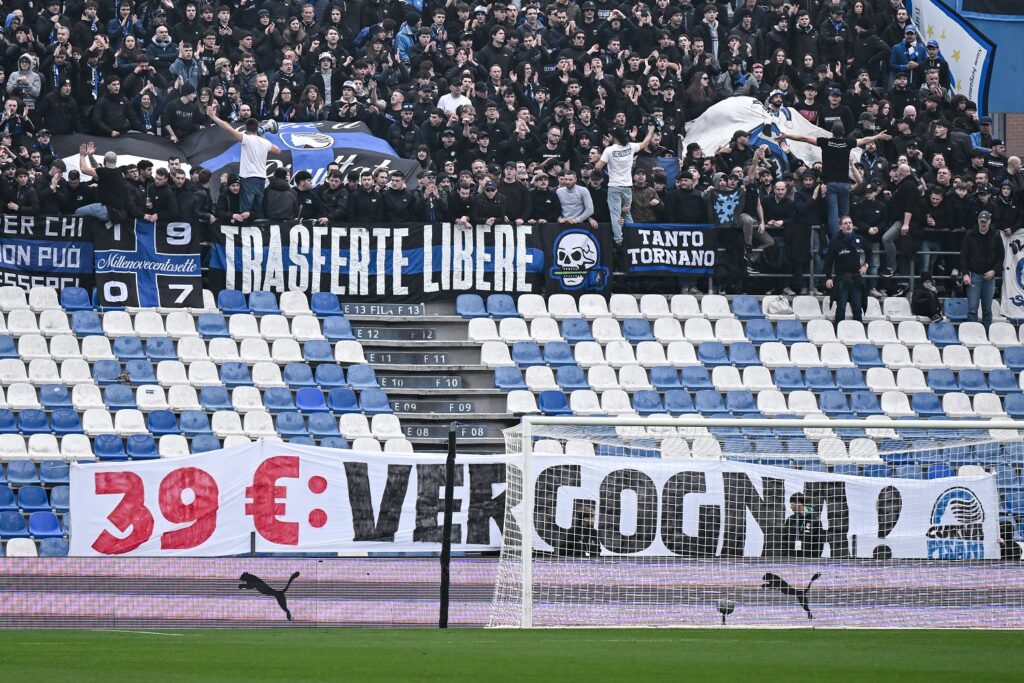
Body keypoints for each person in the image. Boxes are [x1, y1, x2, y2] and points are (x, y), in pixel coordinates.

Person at [780, 122, 891, 239]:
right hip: (844, 184)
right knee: (844, 213)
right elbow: (865, 140)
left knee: (833, 213)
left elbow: (804, 138)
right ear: (843, 133)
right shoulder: (847, 143)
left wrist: (786, 135)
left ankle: (837, 239)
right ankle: (847, 238)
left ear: (832, 132)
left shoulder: (825, 142)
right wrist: (878, 136)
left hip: (831, 184)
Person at [206, 105, 280, 220]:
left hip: (248, 178)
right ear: (257, 128)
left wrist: (213, 117)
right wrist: (263, 135)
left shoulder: (246, 138)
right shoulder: (265, 142)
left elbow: (229, 128)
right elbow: (278, 151)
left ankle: (244, 228)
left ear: (246, 128)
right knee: (256, 211)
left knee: (245, 211)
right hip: (261, 179)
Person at [594, 124, 655, 245]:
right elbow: (645, 143)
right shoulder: (630, 146)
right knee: (627, 214)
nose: (608, 137)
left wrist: (603, 151)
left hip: (614, 187)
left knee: (615, 215)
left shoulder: (609, 150)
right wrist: (651, 130)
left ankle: (619, 241)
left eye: (610, 135)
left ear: (614, 136)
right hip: (627, 187)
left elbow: (598, 167)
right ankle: (633, 239)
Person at [959, 210, 1004, 331]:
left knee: (987, 309)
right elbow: (963, 256)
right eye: (981, 221)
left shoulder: (996, 235)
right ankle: (972, 333)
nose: (983, 223)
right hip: (974, 275)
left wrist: (994, 271)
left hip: (990, 277)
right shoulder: (970, 235)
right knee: (972, 309)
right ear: (978, 221)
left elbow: (1001, 257)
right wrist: (965, 274)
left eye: (985, 221)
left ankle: (987, 334)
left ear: (990, 221)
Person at [823, 215, 869, 324]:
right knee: (841, 308)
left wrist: (866, 265)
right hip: (842, 279)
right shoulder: (835, 241)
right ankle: (838, 331)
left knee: (857, 308)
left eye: (850, 223)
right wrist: (828, 278)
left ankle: (859, 331)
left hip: (856, 278)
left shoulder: (859, 239)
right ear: (840, 226)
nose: (848, 225)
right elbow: (829, 261)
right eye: (845, 223)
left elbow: (870, 251)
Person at [75, 142, 132, 223]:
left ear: (104, 161)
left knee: (78, 211)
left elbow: (84, 169)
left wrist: (82, 156)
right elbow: (98, 169)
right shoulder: (119, 172)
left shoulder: (103, 172)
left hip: (106, 210)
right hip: (118, 212)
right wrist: (91, 156)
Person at [781, 493, 824, 558]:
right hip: (791, 558)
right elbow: (784, 539)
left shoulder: (814, 520)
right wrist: (785, 555)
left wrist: (814, 558)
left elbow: (819, 542)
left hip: (808, 560)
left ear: (799, 503)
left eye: (792, 504)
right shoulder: (790, 520)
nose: (790, 507)